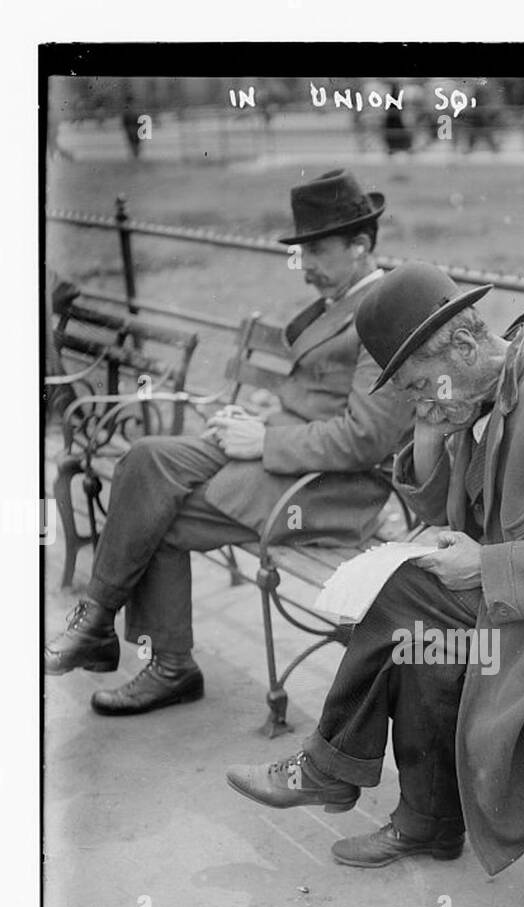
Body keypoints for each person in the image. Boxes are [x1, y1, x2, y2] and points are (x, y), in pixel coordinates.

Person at [226, 262, 524, 878]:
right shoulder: (488, 385)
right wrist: (432, 440)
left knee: (412, 598)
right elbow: (458, 508)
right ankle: (426, 823)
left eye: (415, 385)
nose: (415, 402)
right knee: (418, 631)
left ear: (463, 344)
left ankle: (331, 769)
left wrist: (485, 565)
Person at [45, 169, 413, 715]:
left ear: (361, 246)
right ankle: (99, 622)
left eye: (316, 249)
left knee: (159, 518)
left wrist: (264, 437)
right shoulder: (339, 301)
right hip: (287, 454)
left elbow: (366, 439)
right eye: (300, 250)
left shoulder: (386, 313)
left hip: (332, 489)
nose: (304, 264)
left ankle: (169, 666)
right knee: (146, 460)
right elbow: (316, 392)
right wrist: (267, 410)